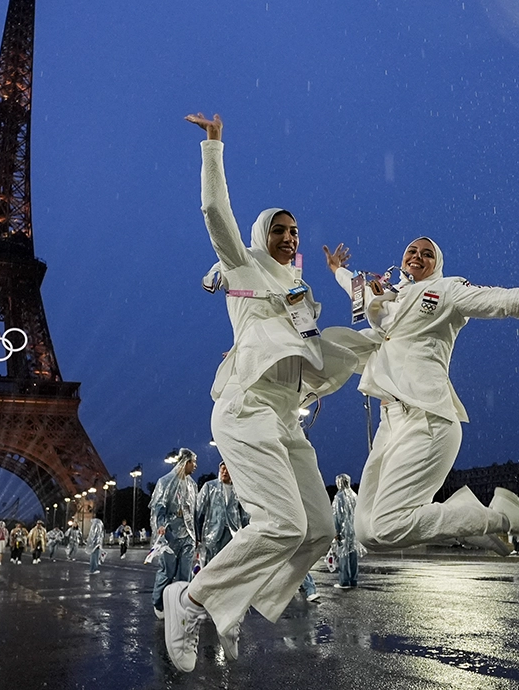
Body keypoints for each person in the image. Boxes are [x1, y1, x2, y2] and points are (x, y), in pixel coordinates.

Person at [161, 113, 362, 673]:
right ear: (260, 237)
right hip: (246, 407)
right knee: (282, 525)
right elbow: (214, 213)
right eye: (280, 229)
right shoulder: (244, 269)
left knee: (318, 529)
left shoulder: (300, 291)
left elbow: (316, 351)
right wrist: (214, 148)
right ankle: (193, 598)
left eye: (295, 232)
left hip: (283, 418)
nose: (290, 238)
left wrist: (380, 343)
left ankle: (230, 603)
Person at [323, 237, 519, 555]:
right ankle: (465, 520)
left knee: (389, 527)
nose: (418, 256)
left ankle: (499, 516)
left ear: (437, 264)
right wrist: (337, 269)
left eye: (427, 254)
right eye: (412, 252)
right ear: (402, 260)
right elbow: (354, 287)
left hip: (427, 419)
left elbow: (505, 302)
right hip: (389, 426)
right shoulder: (389, 298)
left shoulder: (446, 290)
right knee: (367, 533)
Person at [150, 449, 199, 616]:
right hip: (170, 535)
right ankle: (159, 603)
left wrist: (196, 536)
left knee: (185, 573)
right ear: (185, 462)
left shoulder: (192, 485)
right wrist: (162, 526)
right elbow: (159, 507)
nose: (196, 466)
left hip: (188, 536)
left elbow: (194, 513)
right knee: (167, 571)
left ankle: (181, 604)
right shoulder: (165, 482)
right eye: (193, 462)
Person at [194, 461, 249, 568]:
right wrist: (197, 534)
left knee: (228, 564)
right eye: (222, 469)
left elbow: (244, 515)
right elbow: (198, 511)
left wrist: (246, 534)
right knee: (210, 565)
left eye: (227, 469)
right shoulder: (210, 487)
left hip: (232, 533)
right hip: (212, 533)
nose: (224, 472)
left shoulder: (238, 490)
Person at [330, 473, 360, 589]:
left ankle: (344, 580)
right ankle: (353, 579)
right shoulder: (354, 496)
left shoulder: (339, 497)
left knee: (343, 555)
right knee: (353, 555)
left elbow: (336, 516)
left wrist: (336, 531)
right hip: (353, 530)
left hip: (343, 531)